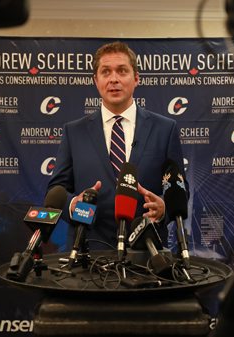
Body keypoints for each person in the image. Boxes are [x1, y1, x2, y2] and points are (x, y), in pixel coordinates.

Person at [47, 41, 186, 251]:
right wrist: (72, 205)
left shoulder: (165, 129)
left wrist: (164, 207)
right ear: (96, 80)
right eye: (106, 72)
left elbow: (180, 190)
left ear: (136, 78)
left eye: (122, 71)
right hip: (87, 253)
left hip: (148, 254)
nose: (114, 79)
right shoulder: (73, 132)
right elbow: (55, 190)